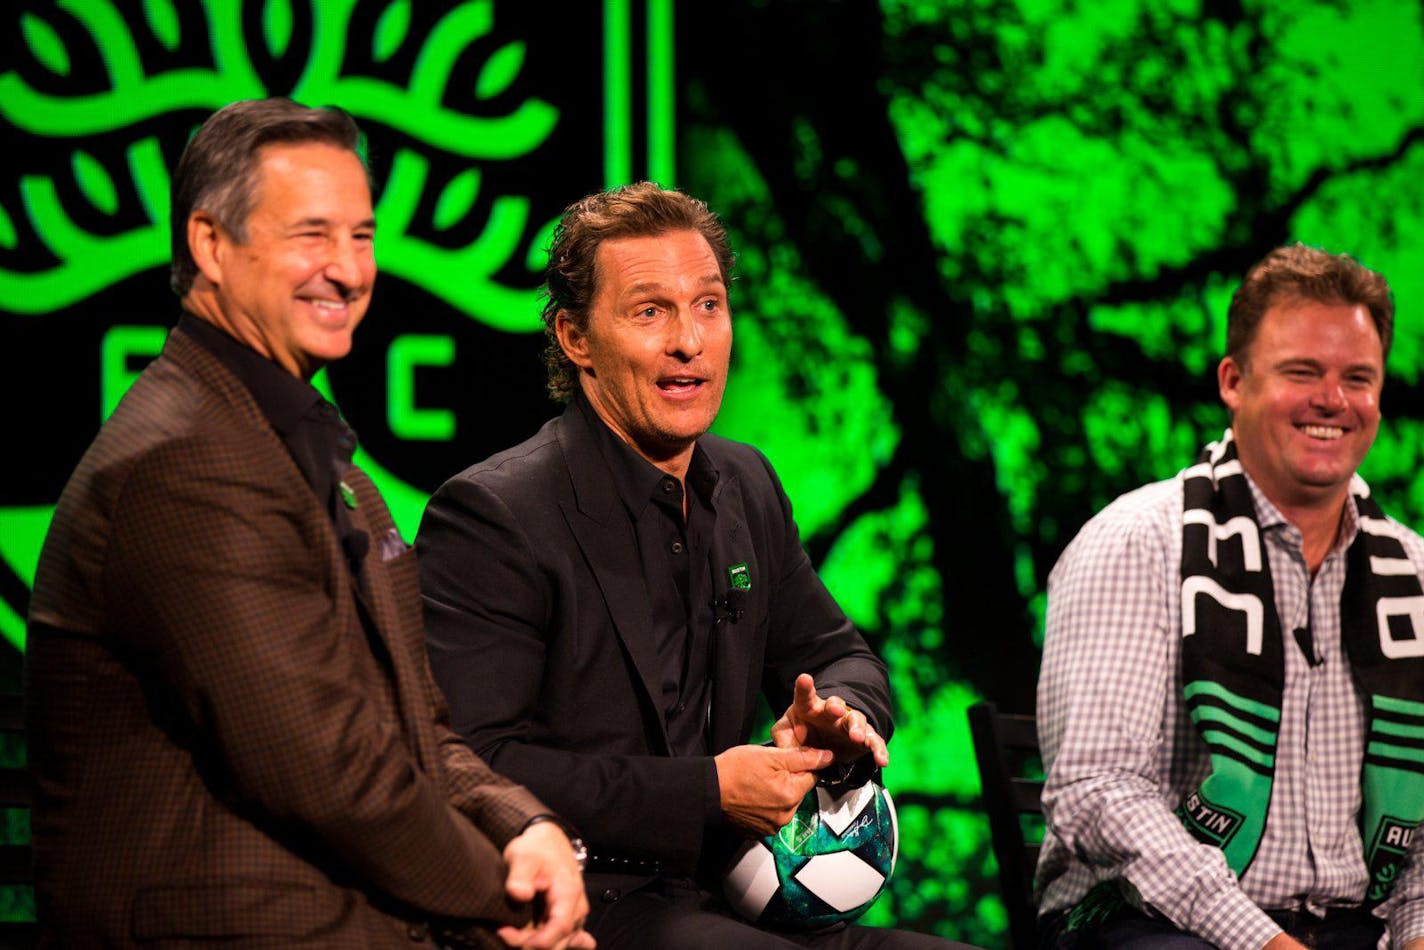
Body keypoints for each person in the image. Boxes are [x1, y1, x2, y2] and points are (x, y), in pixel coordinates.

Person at [25, 98, 591, 949]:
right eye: (310, 236)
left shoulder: (326, 466)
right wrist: (509, 904)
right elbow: (328, 773)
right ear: (211, 244)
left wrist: (523, 828)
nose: (348, 270)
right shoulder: (186, 461)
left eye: (361, 237)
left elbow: (416, 729)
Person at [417, 183, 969, 950]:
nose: (691, 341)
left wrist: (842, 718)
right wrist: (709, 793)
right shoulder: (495, 514)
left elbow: (840, 655)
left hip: (739, 894)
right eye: (651, 312)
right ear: (575, 338)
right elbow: (478, 763)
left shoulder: (746, 484)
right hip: (594, 900)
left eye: (708, 305)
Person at [1037, 244, 1424, 949]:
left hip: (1356, 927)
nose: (1333, 400)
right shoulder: (1138, 542)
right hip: (1154, 922)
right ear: (1234, 380)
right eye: (1303, 372)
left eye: (1357, 378)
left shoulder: (1415, 573)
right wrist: (1264, 944)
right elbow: (1096, 790)